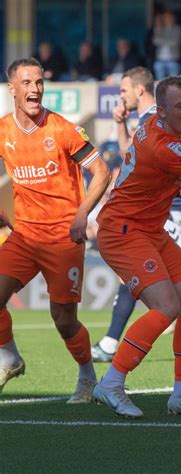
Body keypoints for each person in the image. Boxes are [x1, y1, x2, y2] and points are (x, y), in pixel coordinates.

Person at [92, 75, 181, 418]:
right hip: (122, 231)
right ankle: (111, 383)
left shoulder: (153, 121)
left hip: (151, 230)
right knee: (167, 306)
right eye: (180, 107)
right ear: (161, 110)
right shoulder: (163, 147)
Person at [0, 58, 110, 400]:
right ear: (12, 89)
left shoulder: (62, 129)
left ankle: (87, 376)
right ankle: (9, 358)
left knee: (63, 318)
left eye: (39, 83)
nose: (35, 90)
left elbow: (102, 172)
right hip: (24, 236)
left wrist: (81, 216)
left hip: (63, 238)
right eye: (27, 83)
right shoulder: (3, 130)